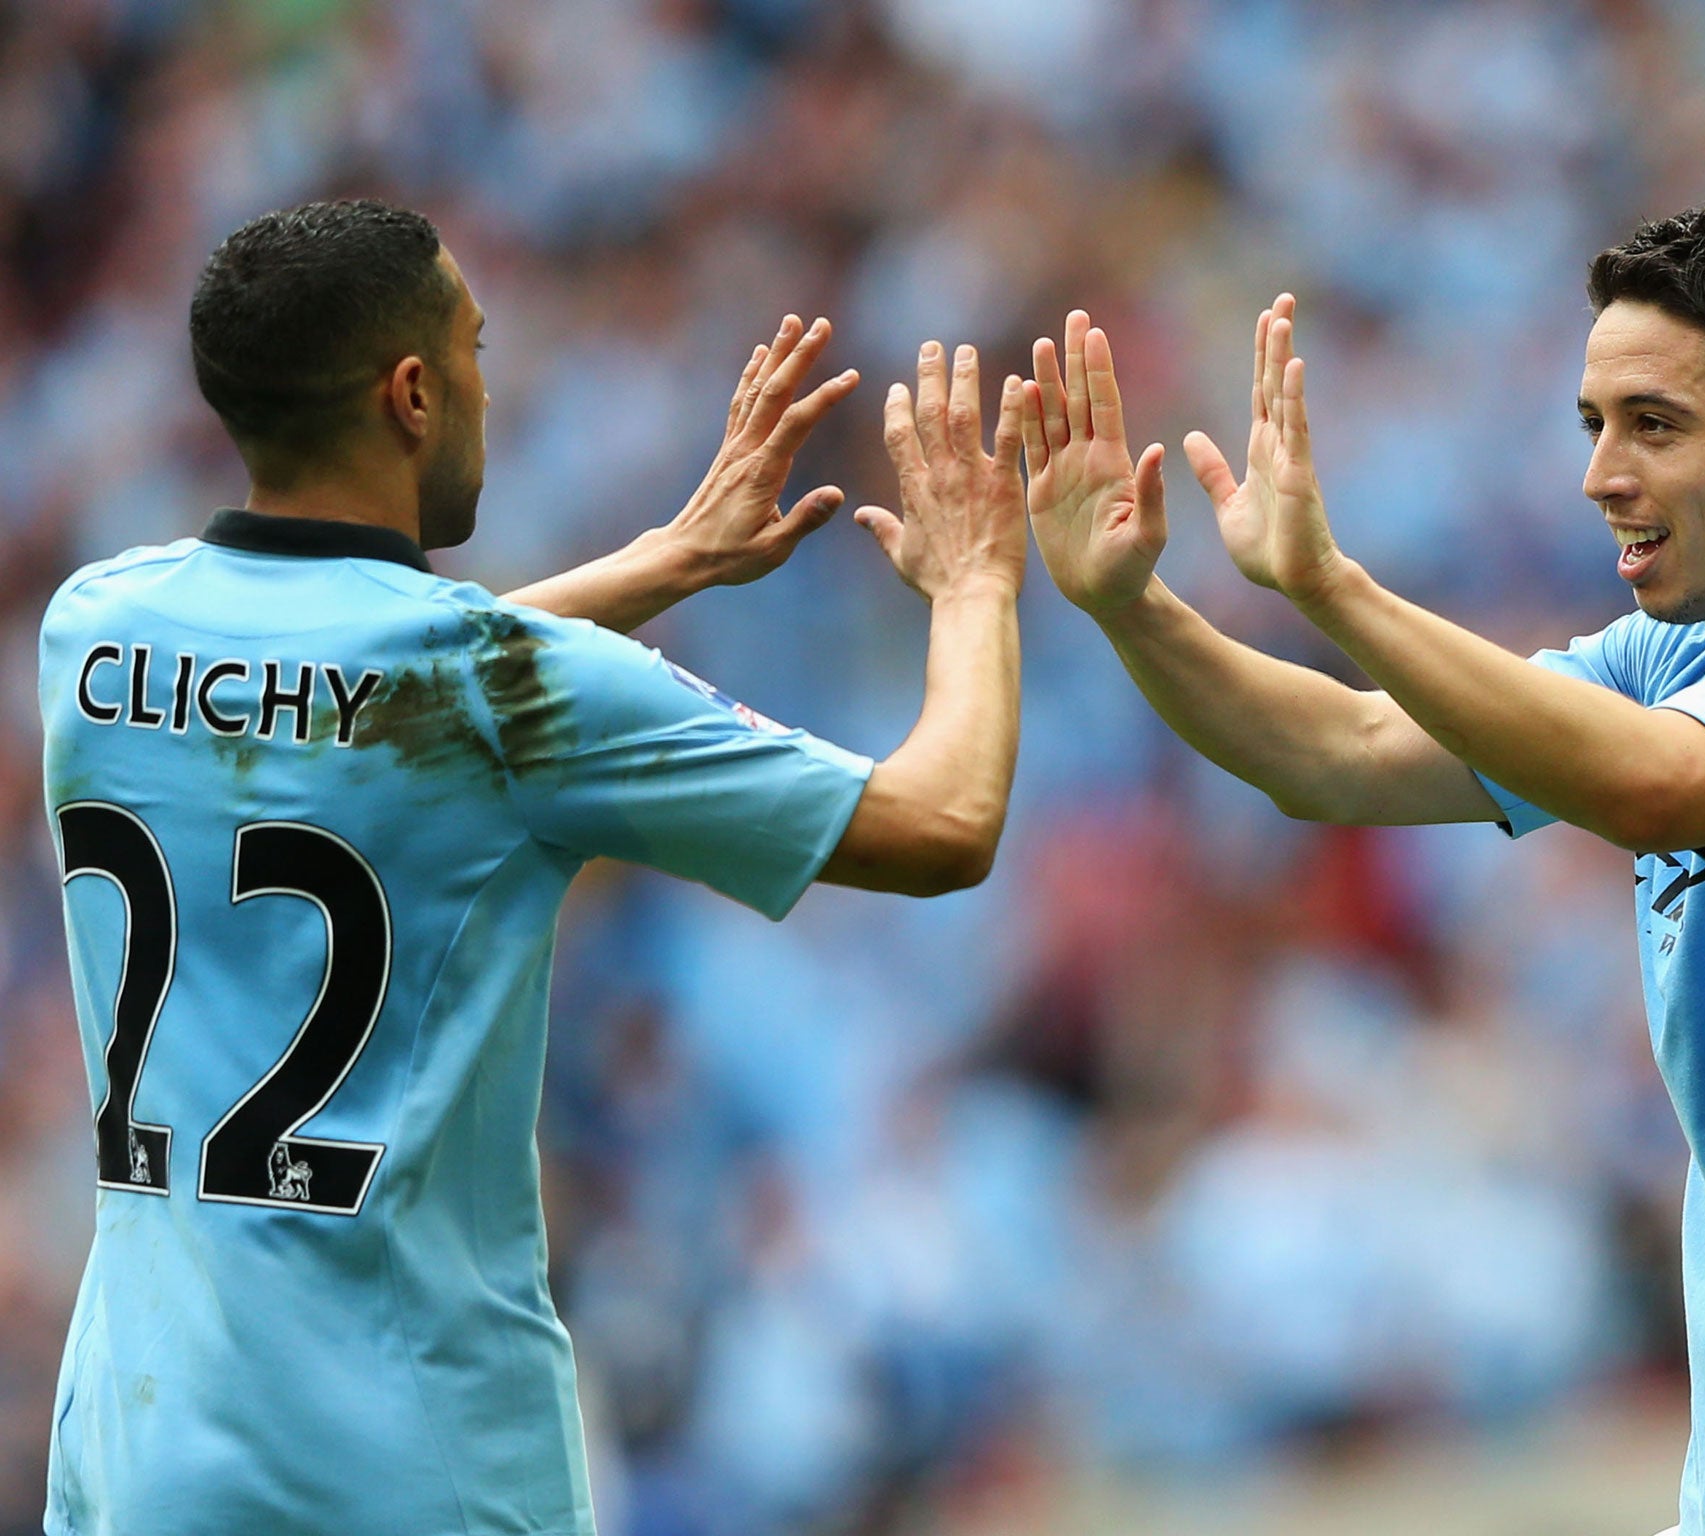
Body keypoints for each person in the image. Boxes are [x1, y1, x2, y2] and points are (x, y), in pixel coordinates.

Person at [1021, 192, 1705, 1536]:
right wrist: (1128, 607)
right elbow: (1337, 752)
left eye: (1655, 424)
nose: (1600, 473)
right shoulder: (1677, 662)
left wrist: (1330, 584)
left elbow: (1653, 785)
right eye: (1594, 424)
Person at [37, 198, 1028, 1536]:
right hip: (407, 1461)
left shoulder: (90, 635)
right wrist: (977, 588)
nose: (488, 391)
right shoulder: (503, 690)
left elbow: (379, 696)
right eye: (475, 350)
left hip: (144, 1450)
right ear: (411, 393)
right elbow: (946, 822)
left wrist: (658, 564)